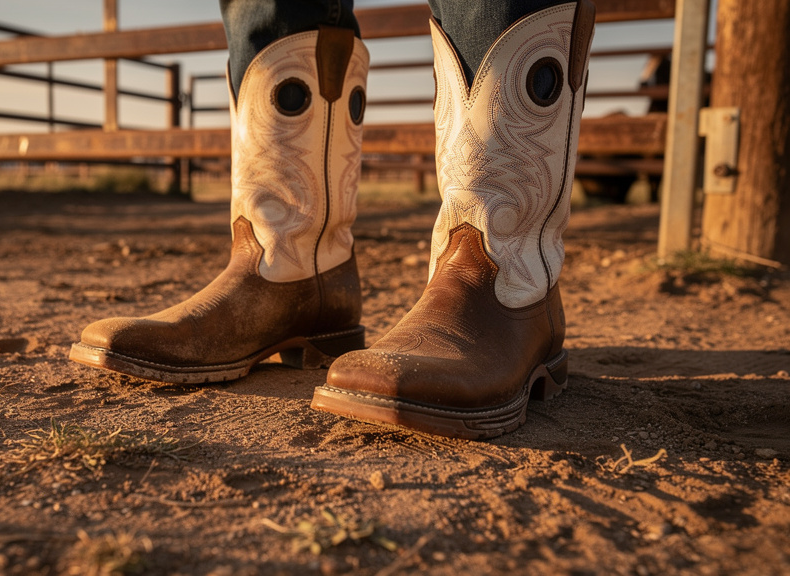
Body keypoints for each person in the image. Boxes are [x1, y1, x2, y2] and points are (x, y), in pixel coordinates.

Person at [70, 0, 596, 440]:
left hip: (510, 297)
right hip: (292, 277)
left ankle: (513, 293)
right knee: (271, 7)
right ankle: (294, 280)